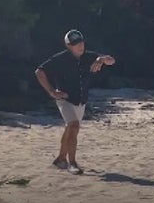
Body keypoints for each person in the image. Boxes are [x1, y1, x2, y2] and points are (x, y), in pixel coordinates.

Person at [33, 29, 117, 175]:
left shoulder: (89, 56)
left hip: (81, 101)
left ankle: (60, 159)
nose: (80, 46)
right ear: (68, 46)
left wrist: (101, 59)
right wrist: (52, 91)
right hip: (65, 99)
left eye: (81, 42)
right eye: (75, 44)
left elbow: (112, 60)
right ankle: (72, 164)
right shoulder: (60, 59)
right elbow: (39, 72)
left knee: (71, 129)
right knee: (74, 125)